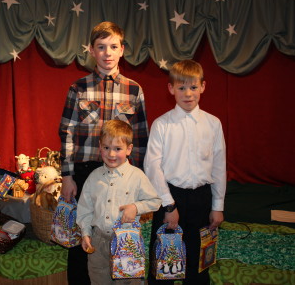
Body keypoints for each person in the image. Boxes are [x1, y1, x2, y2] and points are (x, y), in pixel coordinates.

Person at [59, 21, 149, 284]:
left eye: (113, 46)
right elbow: (66, 132)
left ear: (122, 50)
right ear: (91, 50)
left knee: (119, 239)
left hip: (121, 176)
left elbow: (141, 137)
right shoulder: (78, 88)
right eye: (101, 47)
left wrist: (138, 182)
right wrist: (67, 176)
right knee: (82, 238)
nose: (107, 53)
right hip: (85, 172)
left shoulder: (134, 90)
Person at [144, 59, 226, 284]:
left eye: (193, 87)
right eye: (181, 88)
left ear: (203, 87)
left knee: (198, 266)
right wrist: (169, 205)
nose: (188, 93)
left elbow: (219, 166)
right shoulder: (162, 125)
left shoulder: (213, 124)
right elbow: (153, 167)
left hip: (201, 199)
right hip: (170, 198)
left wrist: (217, 206)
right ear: (171, 89)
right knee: (164, 267)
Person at [76, 119, 161, 285]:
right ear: (100, 146)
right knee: (98, 280)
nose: (111, 154)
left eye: (117, 149)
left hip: (128, 242)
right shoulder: (93, 177)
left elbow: (155, 201)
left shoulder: (137, 176)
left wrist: (136, 207)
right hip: (98, 242)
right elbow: (85, 209)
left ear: (129, 149)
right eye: (106, 148)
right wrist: (85, 233)